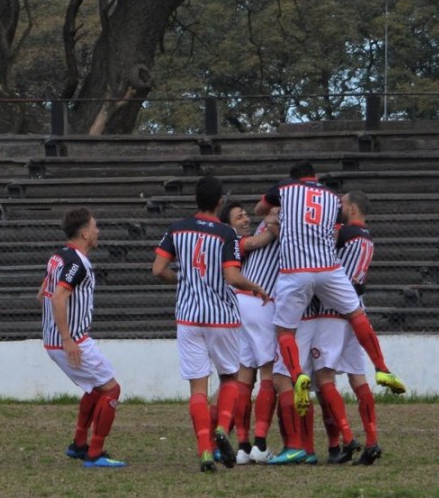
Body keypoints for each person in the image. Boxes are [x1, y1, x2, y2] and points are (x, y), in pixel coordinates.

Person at [254, 162, 405, 421]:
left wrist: (279, 216)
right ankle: (381, 368)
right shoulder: (333, 199)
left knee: (285, 331)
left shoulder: (285, 188)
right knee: (357, 314)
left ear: (294, 178)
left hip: (295, 270)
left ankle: (297, 373)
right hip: (328, 268)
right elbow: (335, 236)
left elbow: (260, 210)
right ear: (315, 177)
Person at [151, 176, 269, 472]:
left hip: (189, 317)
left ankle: (205, 452)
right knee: (230, 378)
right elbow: (232, 277)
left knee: (198, 391)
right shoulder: (225, 234)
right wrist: (256, 287)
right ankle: (222, 429)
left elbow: (157, 269)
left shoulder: (176, 229)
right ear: (219, 202)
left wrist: (183, 279)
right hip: (221, 317)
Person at [40, 207, 126, 468]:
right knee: (111, 389)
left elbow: (44, 291)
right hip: (70, 340)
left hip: (54, 339)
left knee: (94, 388)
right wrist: (67, 339)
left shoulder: (59, 257)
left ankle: (79, 445)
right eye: (95, 227)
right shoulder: (77, 263)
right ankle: (95, 453)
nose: (98, 231)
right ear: (86, 233)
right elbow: (57, 297)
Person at [306, 191, 383, 466]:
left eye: (340, 205)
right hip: (357, 308)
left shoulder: (346, 233)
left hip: (334, 310)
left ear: (351, 209)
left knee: (324, 377)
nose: (337, 209)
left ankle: (347, 439)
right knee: (357, 378)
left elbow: (321, 254)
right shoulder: (367, 237)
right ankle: (372, 440)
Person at [218, 200, 280, 464]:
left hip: (240, 305)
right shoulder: (236, 241)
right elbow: (266, 228)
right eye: (239, 217)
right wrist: (272, 218)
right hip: (259, 303)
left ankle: (243, 447)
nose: (245, 219)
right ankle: (260, 444)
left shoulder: (246, 238)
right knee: (269, 374)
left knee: (245, 375)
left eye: (246, 215)